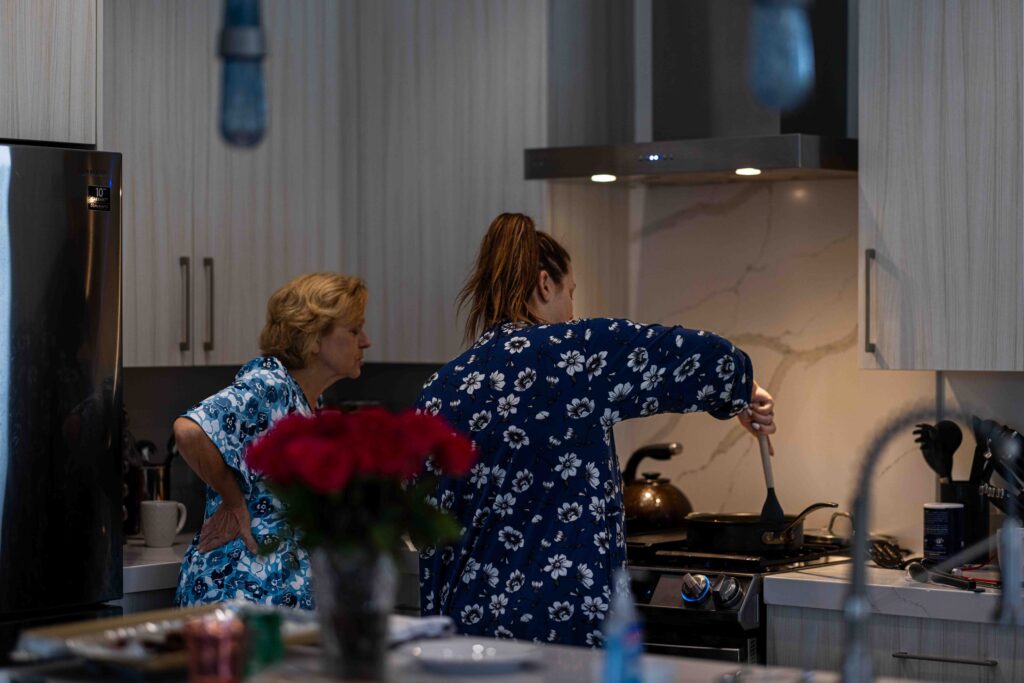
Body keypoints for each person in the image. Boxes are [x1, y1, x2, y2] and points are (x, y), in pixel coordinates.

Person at [417, 213, 775, 646]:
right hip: (560, 629)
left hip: (463, 634)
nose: (572, 310)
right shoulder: (576, 354)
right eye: (570, 293)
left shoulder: (443, 388)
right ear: (545, 284)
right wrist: (743, 389)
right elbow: (683, 354)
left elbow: (425, 533)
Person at [172, 272, 371, 608]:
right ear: (315, 338)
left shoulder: (307, 400)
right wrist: (234, 503)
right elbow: (189, 431)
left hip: (272, 600)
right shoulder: (270, 386)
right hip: (239, 594)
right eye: (353, 330)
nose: (365, 341)